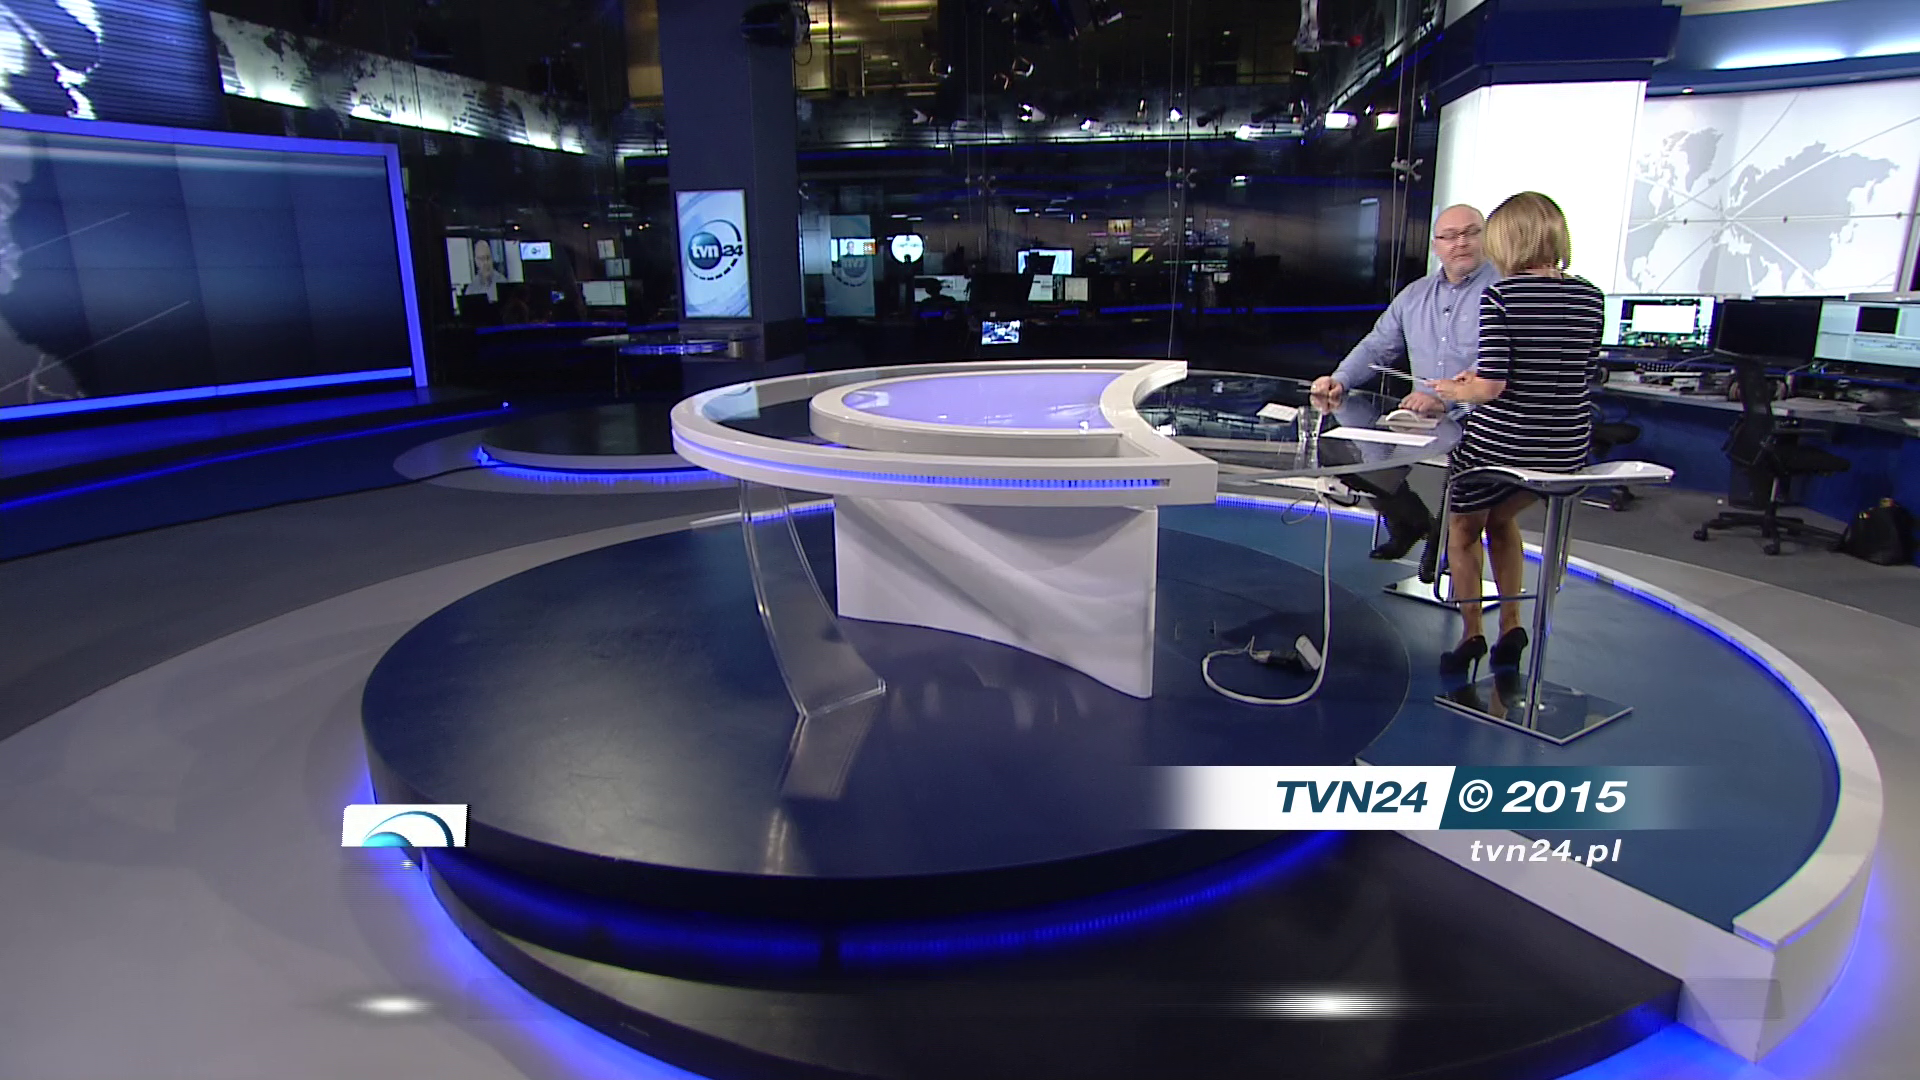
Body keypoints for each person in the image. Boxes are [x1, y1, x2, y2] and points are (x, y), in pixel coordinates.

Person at [1428, 192, 1604, 674]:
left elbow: (1492, 388)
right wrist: (1483, 378)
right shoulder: (1591, 297)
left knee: (1464, 528)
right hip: (1566, 448)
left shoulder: (1502, 296)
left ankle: (1471, 634)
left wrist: (1456, 389)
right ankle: (1512, 625)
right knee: (1501, 519)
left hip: (1506, 443)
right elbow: (1577, 372)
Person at [1310, 204, 1498, 560]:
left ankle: (1445, 541)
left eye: (1470, 233)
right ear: (1435, 246)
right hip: (1419, 417)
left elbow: (1496, 361)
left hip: (1482, 415)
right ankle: (1409, 521)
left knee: (1463, 477)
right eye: (1449, 236)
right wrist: (1340, 380)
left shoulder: (1503, 290)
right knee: (1340, 451)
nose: (1460, 243)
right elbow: (1378, 345)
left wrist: (1448, 398)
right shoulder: (1415, 295)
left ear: (1486, 237)